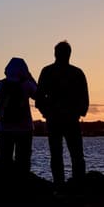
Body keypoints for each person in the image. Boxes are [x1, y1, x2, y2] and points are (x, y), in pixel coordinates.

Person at [35, 40, 89, 187]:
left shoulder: (48, 72)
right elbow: (84, 99)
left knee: (61, 155)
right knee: (74, 155)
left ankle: (61, 185)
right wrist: (77, 112)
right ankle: (76, 186)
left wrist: (47, 112)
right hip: (66, 120)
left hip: (60, 120)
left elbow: (39, 98)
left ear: (55, 53)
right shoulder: (77, 73)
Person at [0, 57, 38, 172]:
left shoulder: (0, 84)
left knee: (4, 161)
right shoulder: (27, 84)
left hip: (4, 128)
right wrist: (30, 77)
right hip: (24, 129)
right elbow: (38, 94)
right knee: (23, 162)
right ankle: (22, 186)